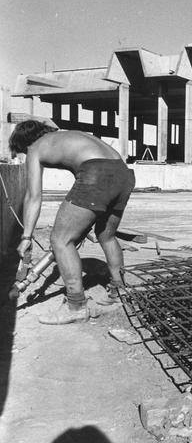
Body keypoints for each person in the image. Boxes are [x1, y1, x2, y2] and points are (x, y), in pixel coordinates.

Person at [9, 120, 136, 325]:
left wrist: (26, 236)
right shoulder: (66, 136)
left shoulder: (34, 148)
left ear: (24, 143)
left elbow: (33, 196)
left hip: (97, 173)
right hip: (124, 173)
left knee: (61, 240)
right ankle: (118, 291)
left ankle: (76, 307)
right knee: (106, 235)